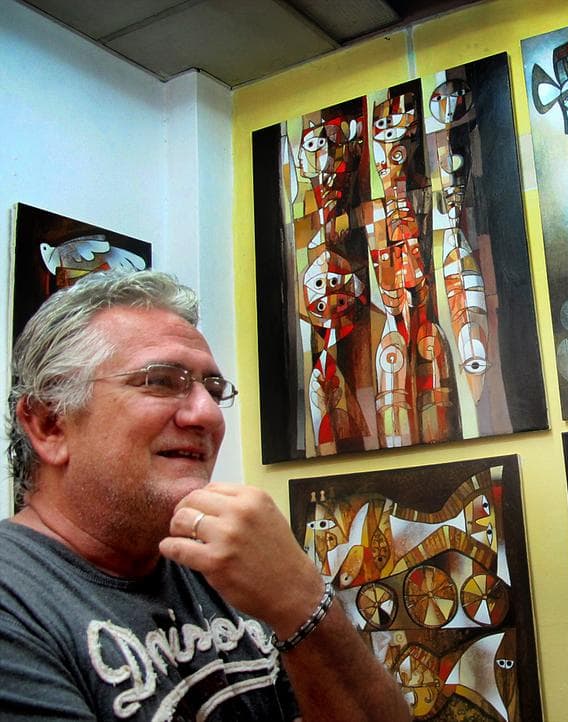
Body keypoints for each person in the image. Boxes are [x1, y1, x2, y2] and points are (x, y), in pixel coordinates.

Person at [0, 270, 412, 721]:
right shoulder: (15, 601)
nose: (208, 415)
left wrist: (305, 603)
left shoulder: (230, 564)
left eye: (214, 390)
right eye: (160, 380)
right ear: (49, 424)